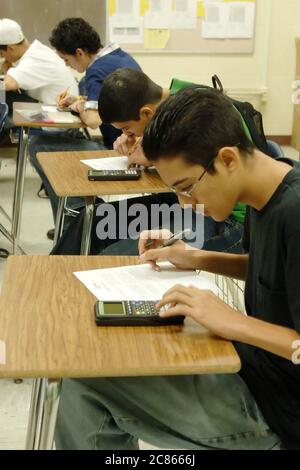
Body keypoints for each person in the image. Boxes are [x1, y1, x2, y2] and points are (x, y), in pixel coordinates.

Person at [54, 88, 300, 450]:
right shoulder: (264, 191)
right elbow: (273, 270)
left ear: (228, 159)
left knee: (87, 383)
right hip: (253, 370)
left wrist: (232, 321)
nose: (187, 203)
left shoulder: (294, 214)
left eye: (188, 187)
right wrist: (195, 257)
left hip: (279, 411)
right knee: (93, 369)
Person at [52, 68, 244, 256]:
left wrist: (151, 155)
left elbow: (198, 173)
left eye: (127, 129)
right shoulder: (175, 99)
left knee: (119, 258)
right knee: (93, 221)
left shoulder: (196, 110)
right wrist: (143, 143)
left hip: (224, 217)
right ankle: (54, 278)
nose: (127, 136)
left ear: (146, 113)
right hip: (190, 202)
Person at [28, 18, 142, 224]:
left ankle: (73, 219)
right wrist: (80, 100)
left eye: (66, 60)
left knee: (38, 145)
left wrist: (80, 106)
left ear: (79, 53)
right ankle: (71, 219)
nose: (67, 65)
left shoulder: (96, 70)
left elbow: (93, 120)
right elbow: (109, 103)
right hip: (134, 142)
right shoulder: (119, 57)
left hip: (120, 150)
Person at [0, 18, 78, 130]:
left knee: (3, 97)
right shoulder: (36, 51)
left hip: (56, 118)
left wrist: (7, 69)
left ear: (10, 48)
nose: (4, 58)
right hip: (50, 109)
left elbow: (7, 85)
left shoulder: (34, 59)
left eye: (2, 54)